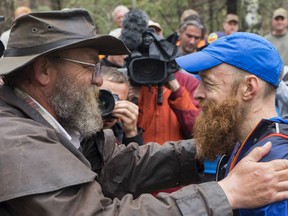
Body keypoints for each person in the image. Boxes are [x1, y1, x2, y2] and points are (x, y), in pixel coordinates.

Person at [1, 9, 288, 216]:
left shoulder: (56, 124)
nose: (99, 80)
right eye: (90, 67)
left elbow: (121, 166)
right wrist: (226, 193)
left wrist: (209, 146)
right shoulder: (15, 139)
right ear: (43, 71)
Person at [176, 32, 288, 215]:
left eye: (208, 83)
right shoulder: (240, 142)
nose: (196, 94)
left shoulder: (274, 169)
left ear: (249, 88)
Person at [100, 66, 143, 145]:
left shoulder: (120, 130)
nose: (111, 106)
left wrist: (131, 132)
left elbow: (135, 157)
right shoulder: (76, 130)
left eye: (118, 101)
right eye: (105, 99)